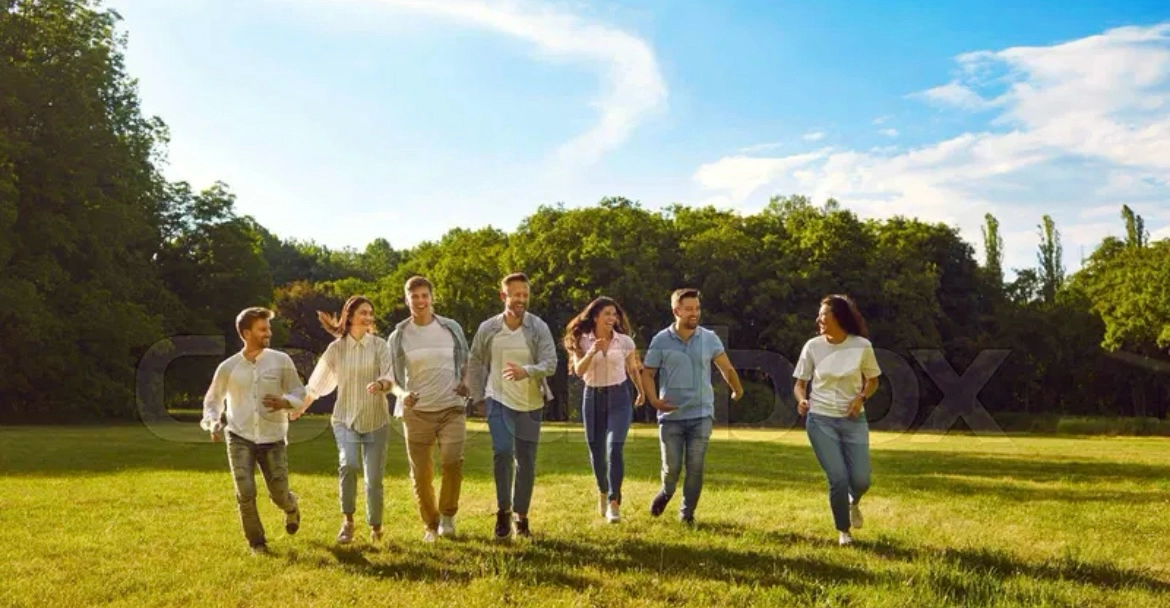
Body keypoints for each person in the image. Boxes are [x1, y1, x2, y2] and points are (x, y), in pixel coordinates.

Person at [201, 306, 307, 554]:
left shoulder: (281, 360)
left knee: (279, 493)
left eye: (268, 328)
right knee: (245, 492)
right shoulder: (228, 367)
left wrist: (286, 402)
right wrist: (213, 421)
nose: (268, 333)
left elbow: (299, 392)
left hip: (273, 437)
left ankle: (291, 507)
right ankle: (257, 543)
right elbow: (212, 400)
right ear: (246, 333)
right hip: (239, 437)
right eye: (262, 329)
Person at [292, 295, 394, 545]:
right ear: (349, 316)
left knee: (374, 479)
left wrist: (381, 384)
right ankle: (348, 522)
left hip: (376, 420)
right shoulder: (336, 349)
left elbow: (391, 377)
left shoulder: (380, 346)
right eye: (363, 312)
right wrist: (298, 409)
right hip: (345, 419)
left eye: (371, 313)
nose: (368, 317)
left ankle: (376, 527)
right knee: (348, 466)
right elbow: (316, 385)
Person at [641, 288, 743, 525]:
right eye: (689, 309)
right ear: (676, 310)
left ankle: (687, 514)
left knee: (695, 466)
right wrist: (655, 400)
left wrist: (737, 389)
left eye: (697, 308)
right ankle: (667, 491)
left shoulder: (709, 338)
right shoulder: (661, 340)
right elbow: (647, 374)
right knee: (672, 468)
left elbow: (725, 367)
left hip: (701, 414)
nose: (694, 313)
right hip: (670, 416)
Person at [469, 272, 558, 539]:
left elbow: (550, 363)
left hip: (531, 404)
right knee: (503, 452)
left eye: (525, 295)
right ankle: (503, 512)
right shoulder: (489, 328)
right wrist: (478, 398)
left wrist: (527, 371)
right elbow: (475, 361)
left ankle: (521, 517)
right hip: (498, 399)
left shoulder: (538, 327)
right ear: (503, 296)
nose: (521, 299)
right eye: (515, 294)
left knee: (527, 462)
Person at [385, 276, 471, 542]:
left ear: (432, 298)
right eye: (415, 297)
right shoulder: (398, 336)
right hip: (417, 413)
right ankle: (430, 525)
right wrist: (402, 395)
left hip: (451, 408)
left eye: (425, 296)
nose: (420, 301)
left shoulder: (451, 328)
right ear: (407, 300)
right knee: (421, 474)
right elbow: (391, 380)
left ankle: (447, 516)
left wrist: (466, 385)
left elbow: (467, 364)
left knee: (452, 461)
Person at [793, 294, 881, 546]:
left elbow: (872, 380)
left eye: (823, 314)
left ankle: (853, 502)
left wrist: (861, 398)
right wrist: (801, 400)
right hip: (820, 420)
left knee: (862, 480)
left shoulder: (862, 346)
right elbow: (800, 384)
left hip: (853, 420)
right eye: (819, 314)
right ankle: (844, 531)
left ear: (838, 317)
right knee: (838, 478)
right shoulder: (812, 346)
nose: (818, 319)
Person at [563, 296, 648, 523]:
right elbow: (579, 372)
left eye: (614, 314)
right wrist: (592, 351)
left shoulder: (625, 342)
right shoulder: (581, 339)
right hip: (593, 397)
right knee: (596, 451)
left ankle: (614, 502)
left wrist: (641, 391)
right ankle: (602, 490)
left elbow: (632, 369)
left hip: (619, 397)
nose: (612, 318)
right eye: (607, 314)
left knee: (614, 448)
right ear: (595, 316)